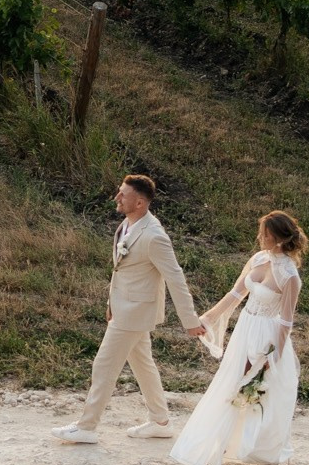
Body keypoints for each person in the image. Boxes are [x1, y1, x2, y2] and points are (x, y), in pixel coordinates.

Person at [53, 174, 203, 445]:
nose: (117, 197)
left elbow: (175, 277)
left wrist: (189, 320)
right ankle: (160, 422)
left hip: (135, 311)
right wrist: (111, 304)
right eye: (119, 192)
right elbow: (121, 272)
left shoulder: (155, 236)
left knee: (104, 365)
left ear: (140, 203)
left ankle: (87, 427)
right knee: (143, 365)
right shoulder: (127, 225)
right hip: (123, 309)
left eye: (123, 194)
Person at [170, 211, 306, 465]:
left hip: (266, 336)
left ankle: (240, 447)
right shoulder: (258, 259)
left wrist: (272, 358)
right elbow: (235, 294)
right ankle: (217, 445)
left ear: (277, 238)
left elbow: (286, 322)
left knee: (250, 389)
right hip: (245, 328)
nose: (259, 237)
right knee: (231, 381)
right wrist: (208, 319)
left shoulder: (290, 276)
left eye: (264, 233)